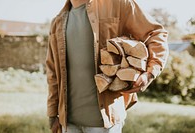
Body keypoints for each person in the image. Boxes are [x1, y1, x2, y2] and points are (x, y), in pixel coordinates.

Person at [45, 0, 169, 133]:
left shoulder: (119, 3)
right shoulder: (57, 22)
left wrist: (150, 73)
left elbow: (156, 33)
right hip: (68, 124)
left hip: (105, 123)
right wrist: (52, 114)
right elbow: (52, 72)